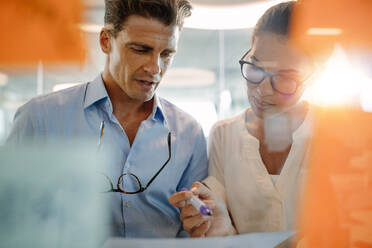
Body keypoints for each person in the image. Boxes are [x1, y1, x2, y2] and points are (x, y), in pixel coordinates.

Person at [7, 0, 208, 238]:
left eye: (166, 54)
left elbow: (193, 233)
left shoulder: (189, 134)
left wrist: (201, 221)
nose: (155, 68)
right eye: (140, 49)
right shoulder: (39, 119)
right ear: (105, 41)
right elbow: (11, 220)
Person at [169, 1, 322, 237]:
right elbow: (223, 231)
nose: (263, 89)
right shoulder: (224, 135)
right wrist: (216, 226)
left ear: (311, 77)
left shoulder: (333, 136)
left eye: (284, 78)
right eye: (256, 67)